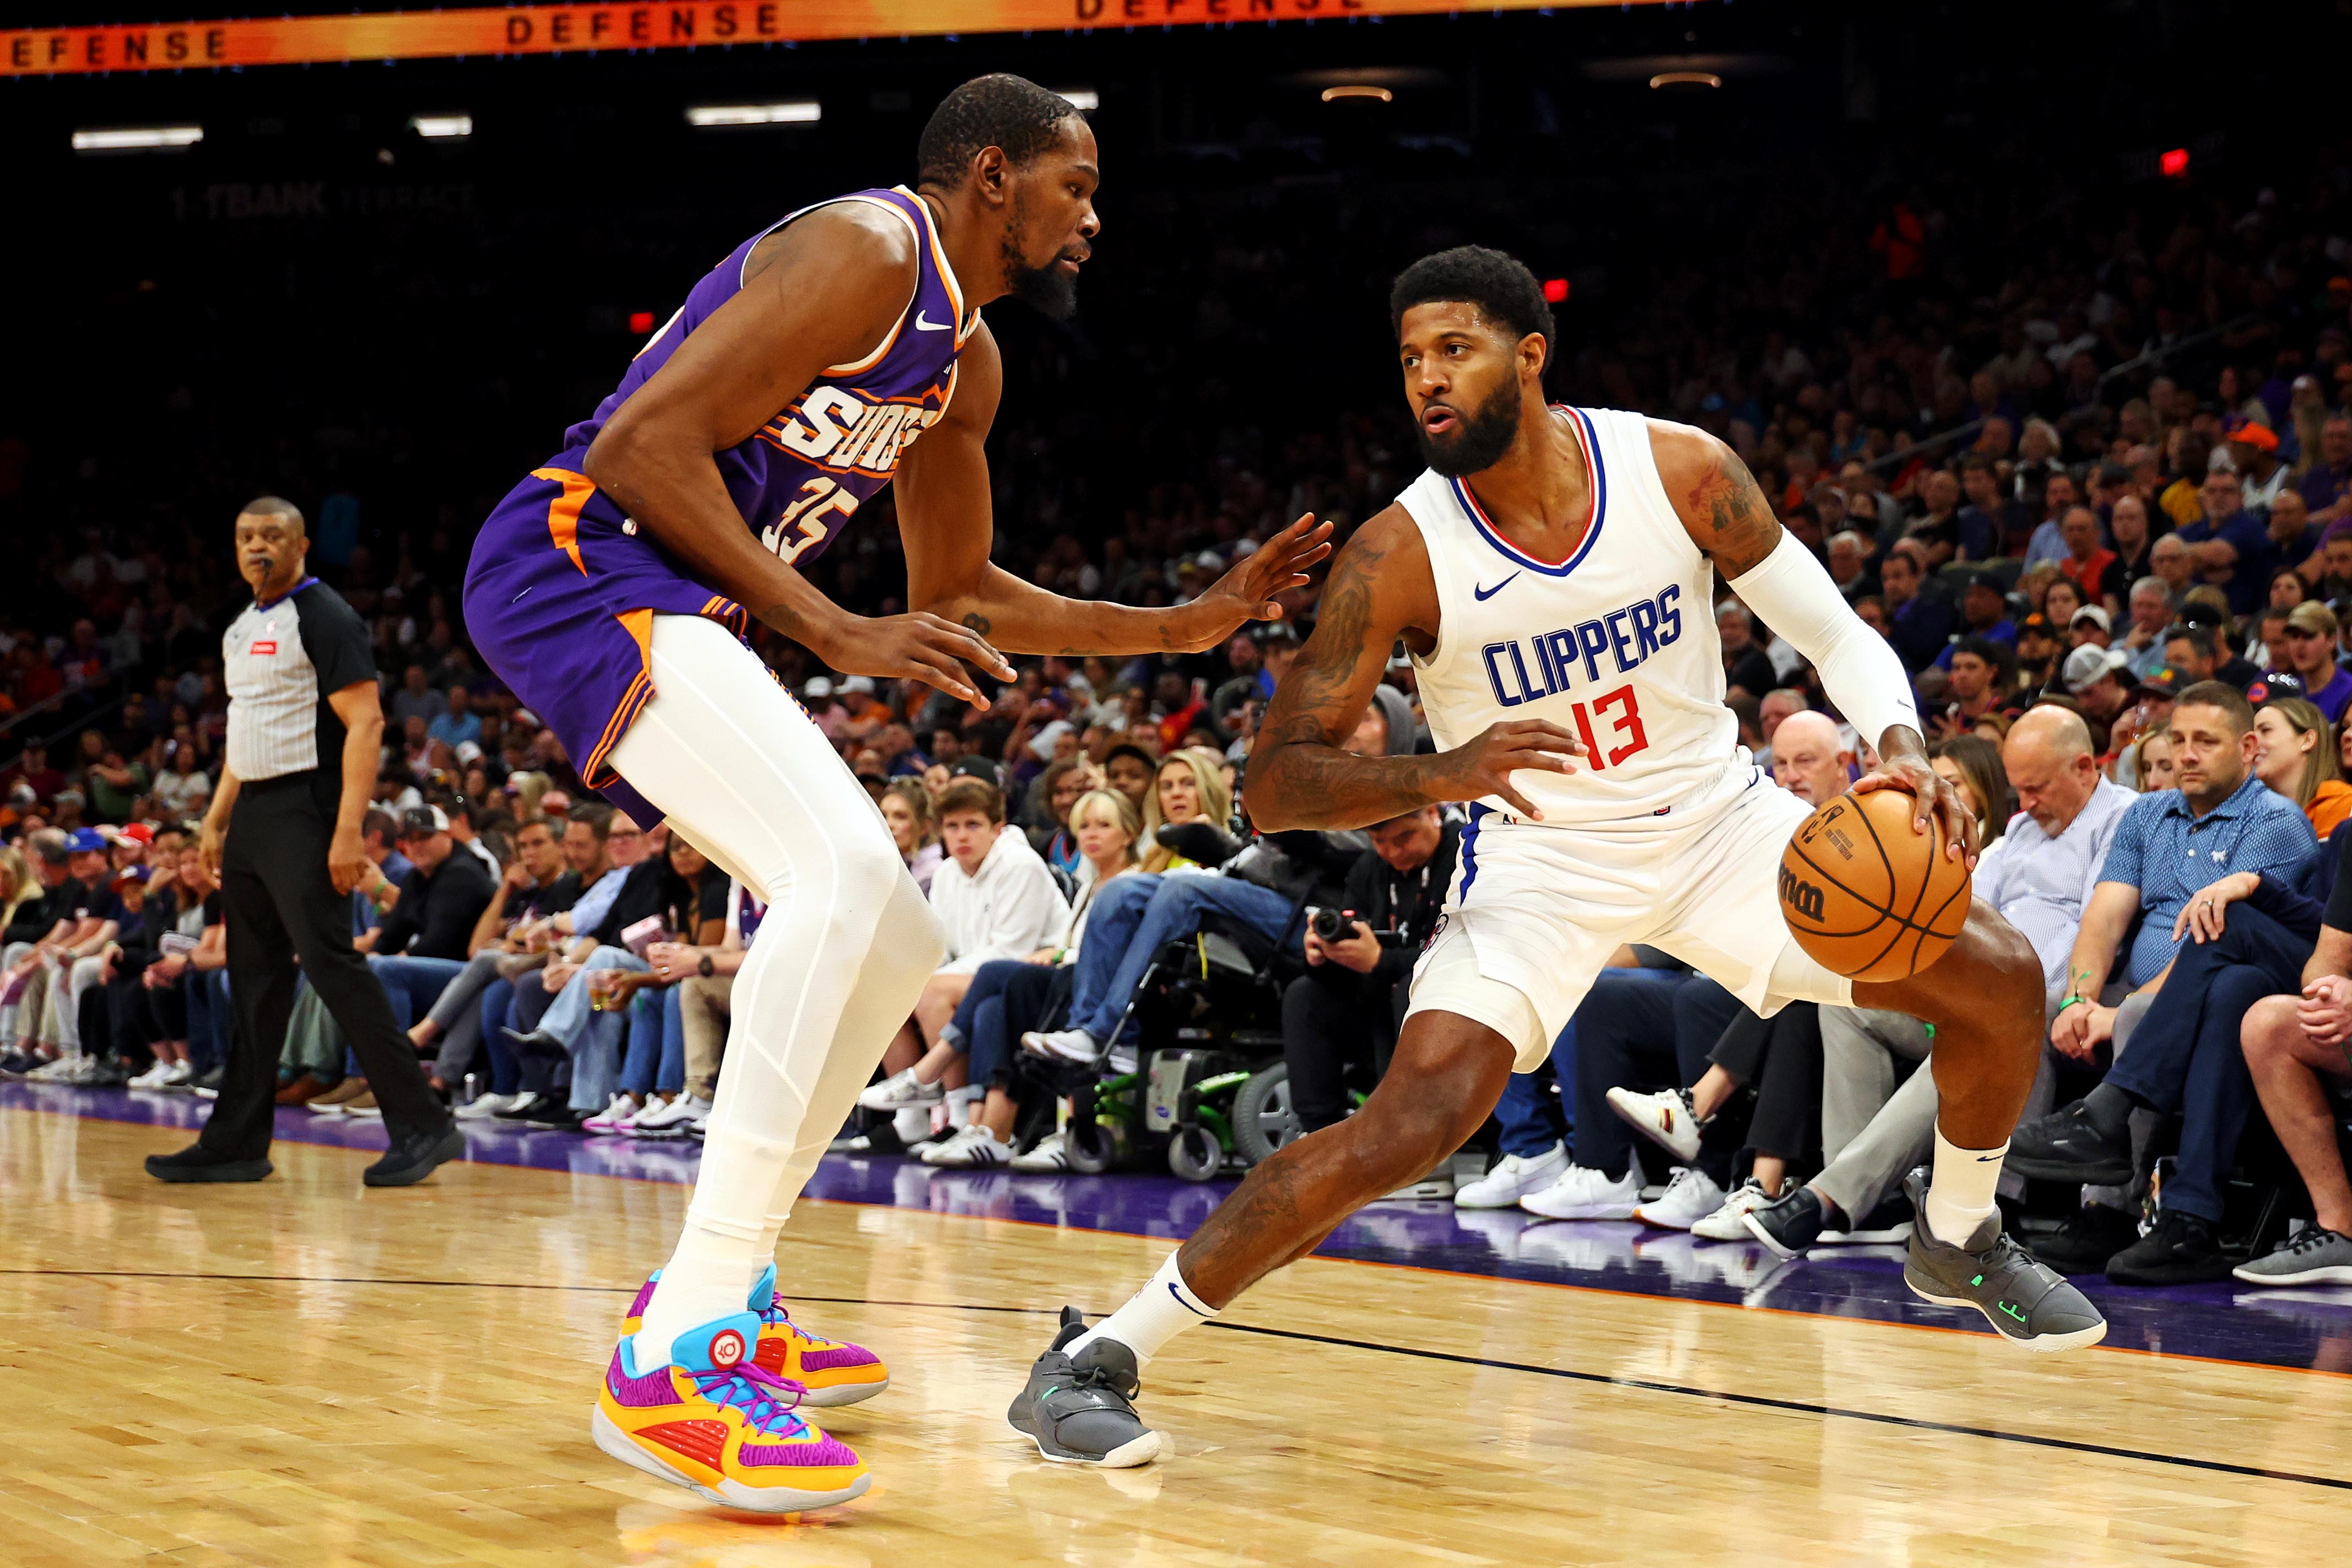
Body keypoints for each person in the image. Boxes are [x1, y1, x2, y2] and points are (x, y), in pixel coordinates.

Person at [1007, 247, 2104, 1471]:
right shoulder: (1398, 552)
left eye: (1454, 349)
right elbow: (1273, 779)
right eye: (1410, 358)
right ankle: (1095, 1355)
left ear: (1530, 356)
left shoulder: (1677, 468)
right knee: (1410, 1123)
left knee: (1999, 976)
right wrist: (1435, 773)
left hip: (1718, 826)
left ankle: (1956, 1236)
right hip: (1537, 861)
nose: (1426, 378)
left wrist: (1900, 744)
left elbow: (1833, 633)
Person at [458, 76, 1328, 1510]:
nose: (1092, 217)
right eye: (1075, 185)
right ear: (992, 176)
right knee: (849, 880)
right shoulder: (868, 252)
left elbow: (961, 592)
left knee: (895, 934)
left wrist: (1182, 624)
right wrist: (831, 631)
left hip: (675, 602)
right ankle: (679, 1345)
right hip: (575, 562)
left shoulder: (963, 362)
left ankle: (716, 1293)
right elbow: (637, 448)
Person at [145, 499, 463, 1189]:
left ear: (302, 546)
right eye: (246, 536)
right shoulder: (239, 628)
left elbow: (369, 722)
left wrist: (348, 830)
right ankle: (235, 1141)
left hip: (307, 807)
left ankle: (423, 1123)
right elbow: (245, 731)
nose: (257, 546)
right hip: (254, 811)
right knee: (255, 978)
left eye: (272, 536)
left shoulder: (325, 616)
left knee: (332, 965)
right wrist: (215, 816)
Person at [1744, 707, 2134, 1257]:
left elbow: (2103, 920)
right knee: (1847, 1006)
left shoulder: (2122, 819)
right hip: (1986, 987)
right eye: (2018, 787)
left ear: (2086, 766)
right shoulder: (2021, 828)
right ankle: (1874, 1203)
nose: (2024, 803)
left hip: (2049, 1000)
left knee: (1985, 1020)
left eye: (2038, 787)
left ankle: (1832, 1196)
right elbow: (1960, 912)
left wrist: (2071, 995)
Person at [2012, 683, 2317, 1279]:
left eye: (2206, 740)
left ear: (2249, 747)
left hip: (2246, 986)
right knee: (2037, 1008)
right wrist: (2080, 995)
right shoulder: (2148, 813)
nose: (2187, 754)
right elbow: (2104, 915)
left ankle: (2108, 1202)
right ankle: (1998, 1201)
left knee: (2181, 981)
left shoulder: (2276, 821)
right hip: (2179, 992)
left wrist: (2121, 1008)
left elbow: (2228, 930)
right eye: (2177, 739)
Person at [2252, 696, 2352, 837]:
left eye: (2266, 730)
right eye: (2251, 734)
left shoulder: (2342, 802)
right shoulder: (2252, 814)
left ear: (2308, 740)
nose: (2252, 742)